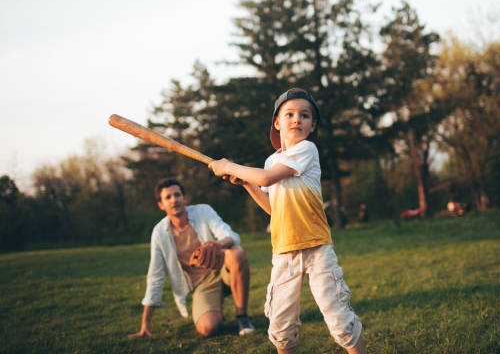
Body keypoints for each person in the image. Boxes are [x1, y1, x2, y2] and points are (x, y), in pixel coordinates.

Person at [208, 88, 366, 354]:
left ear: (312, 125)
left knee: (339, 319)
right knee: (281, 325)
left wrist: (230, 166)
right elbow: (272, 207)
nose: (297, 120)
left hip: (316, 248)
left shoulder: (307, 149)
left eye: (305, 116)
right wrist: (246, 182)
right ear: (277, 123)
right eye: (289, 114)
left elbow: (268, 179)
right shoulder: (271, 161)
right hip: (284, 250)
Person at [129, 178, 255, 339]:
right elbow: (155, 277)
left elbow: (230, 235)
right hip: (202, 284)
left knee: (236, 252)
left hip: (223, 269)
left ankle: (242, 317)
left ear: (184, 197)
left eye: (177, 195)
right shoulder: (159, 233)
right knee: (207, 328)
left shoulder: (203, 211)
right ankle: (215, 312)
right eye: (168, 197)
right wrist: (145, 323)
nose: (174, 200)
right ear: (161, 205)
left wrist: (216, 244)